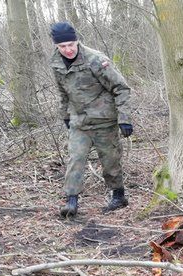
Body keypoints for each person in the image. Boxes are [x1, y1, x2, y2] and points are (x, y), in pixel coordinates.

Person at [49, 21, 134, 218]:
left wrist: (124, 118)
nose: (68, 49)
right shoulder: (56, 63)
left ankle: (118, 196)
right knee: (75, 158)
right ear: (56, 46)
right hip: (79, 121)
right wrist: (66, 116)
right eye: (62, 46)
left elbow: (121, 88)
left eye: (71, 44)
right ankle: (71, 200)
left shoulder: (95, 59)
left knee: (110, 159)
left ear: (77, 40)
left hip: (104, 119)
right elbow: (63, 93)